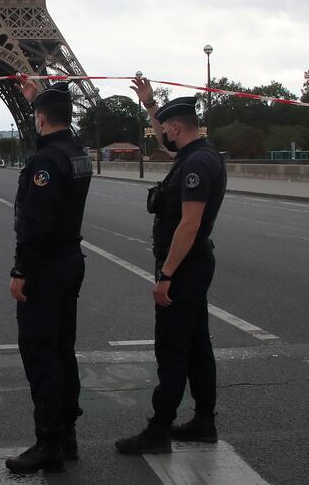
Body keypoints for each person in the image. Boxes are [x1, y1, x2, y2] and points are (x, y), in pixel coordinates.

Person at [115, 83, 227, 455]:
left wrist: (166, 275)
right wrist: (150, 105)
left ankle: (158, 430)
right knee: (197, 345)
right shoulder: (202, 154)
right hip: (196, 264)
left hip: (184, 266)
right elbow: (168, 146)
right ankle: (204, 421)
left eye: (166, 129)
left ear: (176, 128)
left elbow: (189, 225)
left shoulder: (194, 164)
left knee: (172, 348)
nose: (163, 135)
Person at [4, 80, 93, 474]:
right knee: (62, 349)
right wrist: (38, 97)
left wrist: (21, 270)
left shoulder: (46, 162)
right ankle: (66, 433)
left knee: (40, 353)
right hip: (70, 260)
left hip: (45, 267)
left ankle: (48, 442)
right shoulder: (77, 156)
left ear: (40, 118)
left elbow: (35, 225)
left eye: (37, 115)